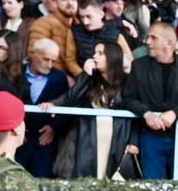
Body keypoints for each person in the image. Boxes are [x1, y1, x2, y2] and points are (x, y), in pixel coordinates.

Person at [41, 41, 139, 179]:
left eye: (100, 53)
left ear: (111, 57)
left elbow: (135, 111)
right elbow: (71, 99)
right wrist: (85, 74)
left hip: (117, 138)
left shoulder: (127, 81)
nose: (94, 56)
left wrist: (133, 141)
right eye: (95, 52)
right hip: (89, 137)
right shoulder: (90, 80)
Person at [122, 22, 178, 179]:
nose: (147, 42)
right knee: (152, 190)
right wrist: (146, 113)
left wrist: (175, 113)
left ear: (169, 43)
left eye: (153, 38)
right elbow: (128, 98)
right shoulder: (138, 66)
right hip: (150, 137)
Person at [16, 38, 70, 178]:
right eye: (46, 59)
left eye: (53, 61)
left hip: (44, 141)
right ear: (34, 54)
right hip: (16, 138)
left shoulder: (59, 78)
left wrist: (54, 128)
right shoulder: (16, 72)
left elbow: (68, 106)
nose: (50, 65)